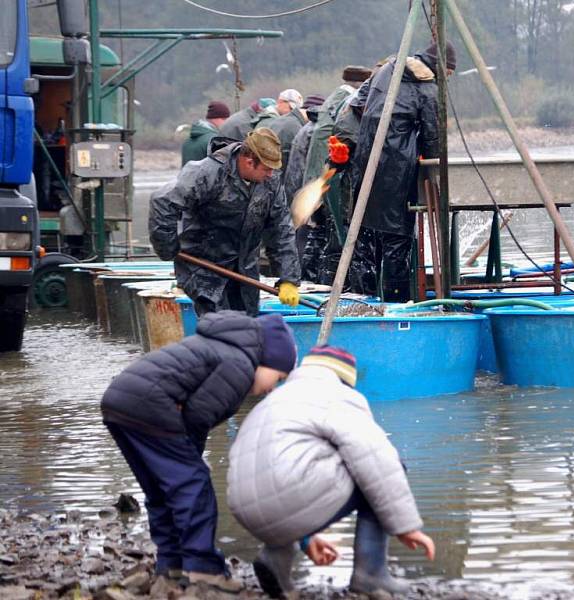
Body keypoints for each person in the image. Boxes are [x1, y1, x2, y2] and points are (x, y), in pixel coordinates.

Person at [100, 311, 297, 593]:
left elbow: (194, 417)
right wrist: (191, 461)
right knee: (194, 484)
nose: (271, 388)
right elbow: (197, 417)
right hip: (150, 404)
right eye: (278, 377)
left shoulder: (220, 348)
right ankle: (203, 567)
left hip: (119, 402)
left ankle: (172, 563)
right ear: (268, 360)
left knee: (160, 489)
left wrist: (187, 455)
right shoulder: (240, 365)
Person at [227, 345, 436, 597]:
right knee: (382, 465)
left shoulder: (274, 401)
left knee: (305, 466)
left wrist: (306, 538)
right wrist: (405, 526)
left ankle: (275, 558)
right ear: (345, 380)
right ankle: (371, 574)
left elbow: (274, 475)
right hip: (285, 499)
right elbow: (377, 460)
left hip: (244, 507)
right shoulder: (338, 396)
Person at [149, 127, 301, 317]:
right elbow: (163, 201)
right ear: (248, 161)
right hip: (204, 268)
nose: (271, 174)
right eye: (267, 169)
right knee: (220, 328)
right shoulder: (207, 172)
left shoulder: (270, 182)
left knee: (247, 325)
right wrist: (167, 247)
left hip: (244, 269)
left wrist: (289, 278)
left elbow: (281, 229)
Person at [349, 43, 453, 301]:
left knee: (367, 234)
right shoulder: (428, 88)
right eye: (449, 73)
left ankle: (365, 296)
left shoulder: (388, 68)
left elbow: (357, 103)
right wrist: (433, 171)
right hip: (397, 168)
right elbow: (433, 137)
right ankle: (398, 301)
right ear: (440, 67)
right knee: (397, 237)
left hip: (366, 160)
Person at [300, 66, 373, 283]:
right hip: (334, 184)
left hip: (323, 181)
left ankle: (316, 282)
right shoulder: (347, 110)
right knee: (335, 240)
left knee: (323, 237)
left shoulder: (334, 104)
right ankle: (327, 286)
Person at [283, 94, 326, 256]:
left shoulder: (306, 128)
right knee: (305, 239)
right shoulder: (316, 131)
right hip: (306, 191)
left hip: (297, 187)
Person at [180, 101, 230, 165]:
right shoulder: (214, 140)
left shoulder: (187, 142)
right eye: (225, 119)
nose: (227, 122)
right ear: (217, 118)